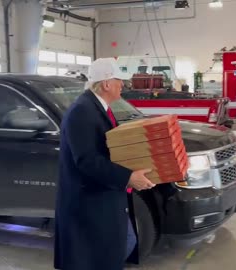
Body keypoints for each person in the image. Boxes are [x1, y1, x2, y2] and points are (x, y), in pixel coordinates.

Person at [54, 58, 156, 270]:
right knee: (95, 257)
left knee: (120, 246)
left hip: (104, 197)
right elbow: (87, 160)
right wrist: (128, 177)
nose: (123, 85)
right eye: (119, 80)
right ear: (106, 84)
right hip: (89, 203)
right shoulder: (82, 111)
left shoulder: (99, 108)